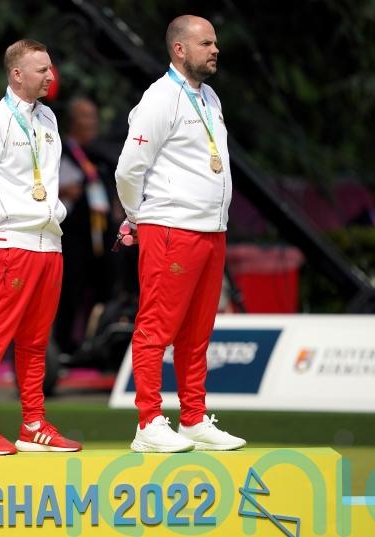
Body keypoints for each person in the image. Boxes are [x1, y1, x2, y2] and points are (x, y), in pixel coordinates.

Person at [114, 15, 246, 452]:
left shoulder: (209, 97)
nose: (215, 50)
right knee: (157, 327)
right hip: (171, 226)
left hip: (211, 229)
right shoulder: (159, 98)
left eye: (215, 43)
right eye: (206, 43)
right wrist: (138, 216)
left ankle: (192, 418)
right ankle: (148, 422)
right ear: (180, 49)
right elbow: (128, 169)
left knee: (198, 332)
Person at [0, 39, 82, 455]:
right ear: (16, 74)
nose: (51, 76)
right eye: (42, 70)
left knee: (35, 340)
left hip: (50, 242)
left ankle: (33, 423)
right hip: (11, 241)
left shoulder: (47, 118)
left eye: (50, 68)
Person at [55, 97, 114, 356]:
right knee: (71, 291)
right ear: (72, 121)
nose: (92, 122)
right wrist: (62, 189)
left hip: (99, 236)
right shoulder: (58, 149)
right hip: (71, 236)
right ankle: (63, 345)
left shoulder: (99, 155)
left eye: (93, 116)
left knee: (103, 290)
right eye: (85, 116)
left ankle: (97, 343)